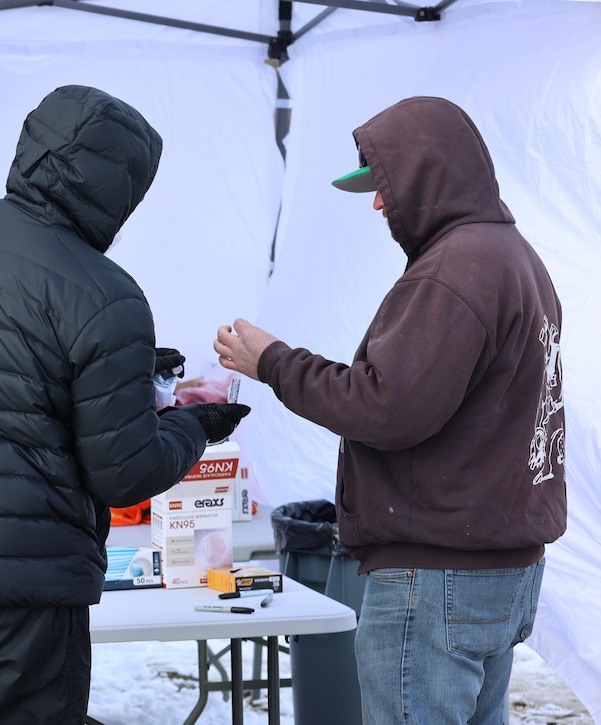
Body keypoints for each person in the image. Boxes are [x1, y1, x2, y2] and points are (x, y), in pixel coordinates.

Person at [0, 84, 250, 725]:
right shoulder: (106, 294)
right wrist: (191, 425)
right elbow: (124, 474)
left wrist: (116, 374)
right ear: (121, 188)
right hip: (13, 592)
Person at [214, 96, 567, 724]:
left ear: (432, 174)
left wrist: (272, 361)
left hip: (435, 582)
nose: (378, 204)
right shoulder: (515, 261)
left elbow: (386, 407)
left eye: (386, 186)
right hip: (497, 570)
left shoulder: (456, 272)